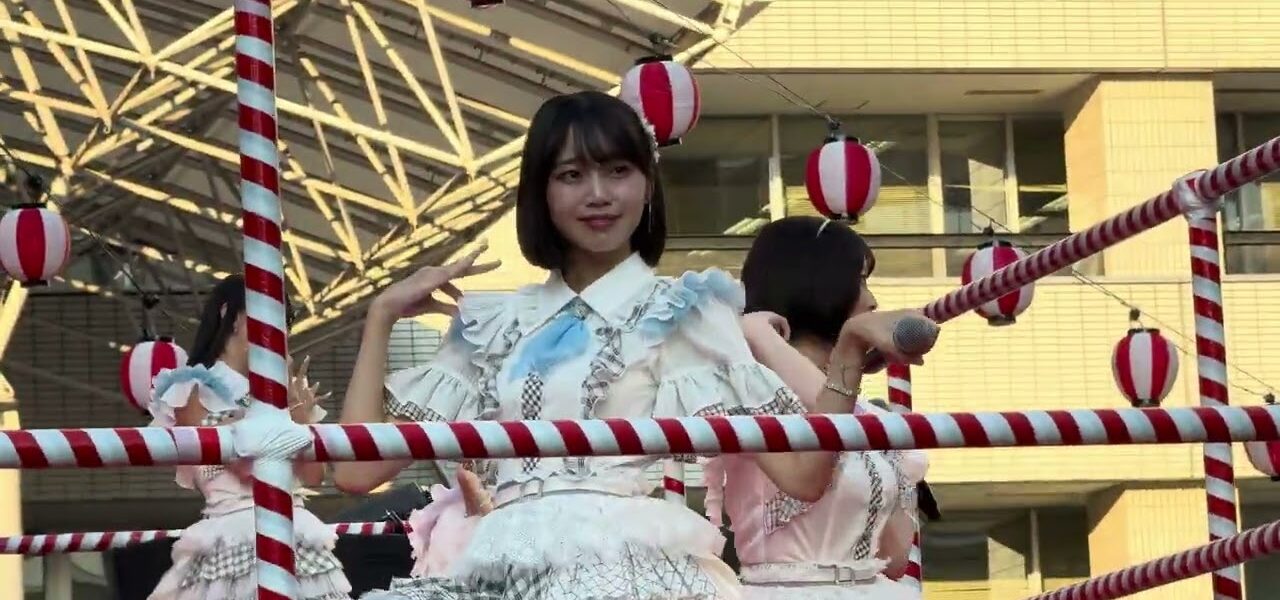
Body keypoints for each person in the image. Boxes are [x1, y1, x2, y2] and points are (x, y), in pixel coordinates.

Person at [335, 91, 920, 599]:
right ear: (540, 192)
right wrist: (381, 316)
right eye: (571, 175)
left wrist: (848, 353)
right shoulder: (495, 322)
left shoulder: (686, 310)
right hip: (503, 570)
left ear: (647, 185)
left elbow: (803, 474)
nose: (599, 194)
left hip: (624, 569)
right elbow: (358, 470)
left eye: (618, 171)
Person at [703, 216, 932, 599]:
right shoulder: (745, 386)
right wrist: (845, 349)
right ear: (821, 281)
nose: (872, 301)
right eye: (860, 281)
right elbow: (805, 481)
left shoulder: (871, 419)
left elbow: (893, 558)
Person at [146, 275, 351, 600]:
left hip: (292, 527)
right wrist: (279, 423)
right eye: (272, 316)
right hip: (233, 532)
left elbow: (315, 477)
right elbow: (232, 466)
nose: (280, 331)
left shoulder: (285, 390)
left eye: (284, 322)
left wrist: (298, 413)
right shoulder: (193, 385)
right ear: (233, 316)